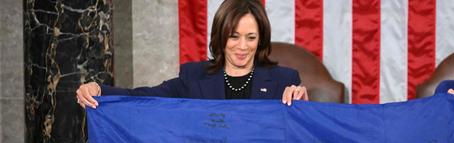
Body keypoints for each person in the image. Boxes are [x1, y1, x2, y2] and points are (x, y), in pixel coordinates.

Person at [76, 0, 308, 108]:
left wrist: (304, 107)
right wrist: (100, 91)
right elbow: (144, 96)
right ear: (220, 36)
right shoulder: (193, 76)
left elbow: (304, 137)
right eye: (233, 36)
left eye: (251, 37)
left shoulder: (285, 80)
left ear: (261, 40)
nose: (242, 46)